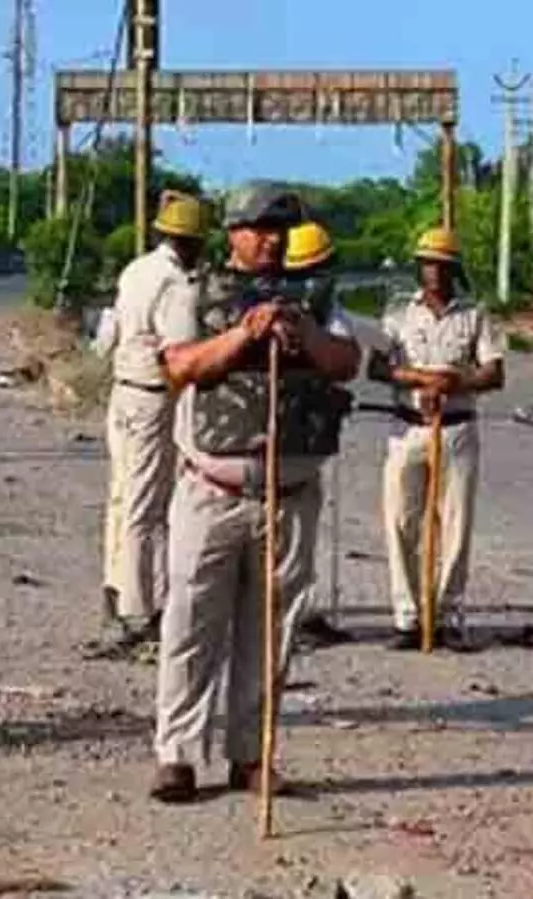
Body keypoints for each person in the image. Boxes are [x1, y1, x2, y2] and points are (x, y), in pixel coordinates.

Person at [150, 183, 360, 803]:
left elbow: (345, 360)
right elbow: (181, 365)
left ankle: (251, 754)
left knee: (271, 631)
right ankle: (178, 754)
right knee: (191, 622)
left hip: (289, 491)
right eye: (259, 227)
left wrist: (302, 335)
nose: (270, 239)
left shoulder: (317, 299)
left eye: (281, 228)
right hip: (214, 486)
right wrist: (244, 336)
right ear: (233, 233)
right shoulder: (196, 292)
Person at [368, 227, 505, 652]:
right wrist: (418, 377)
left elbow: (494, 373)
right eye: (427, 263)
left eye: (442, 265)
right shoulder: (397, 314)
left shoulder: (475, 315)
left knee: (456, 525)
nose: (434, 273)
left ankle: (446, 614)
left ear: (454, 269)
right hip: (407, 427)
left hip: (457, 427)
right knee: (400, 522)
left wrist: (454, 380)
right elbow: (376, 367)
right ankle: (407, 617)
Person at [90, 190, 208, 662]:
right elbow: (183, 352)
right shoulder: (177, 285)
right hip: (155, 397)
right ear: (191, 242)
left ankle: (117, 591)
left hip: (123, 391)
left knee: (122, 499)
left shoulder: (135, 270)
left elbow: (106, 338)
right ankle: (140, 610)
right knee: (148, 507)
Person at [278, 220, 355, 655]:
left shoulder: (331, 312)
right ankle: (283, 615)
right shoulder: (284, 309)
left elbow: (345, 360)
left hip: (307, 431)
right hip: (273, 433)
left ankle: (300, 612)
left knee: (302, 530)